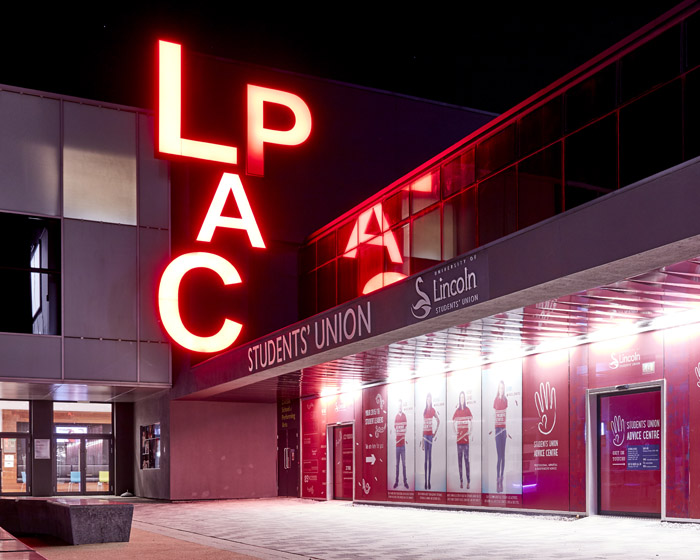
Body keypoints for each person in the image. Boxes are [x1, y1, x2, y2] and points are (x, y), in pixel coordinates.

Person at [452, 391, 473, 489]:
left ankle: (468, 481)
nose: (462, 399)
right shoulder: (457, 411)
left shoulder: (467, 410)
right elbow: (452, 422)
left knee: (466, 461)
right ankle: (461, 481)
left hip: (466, 440)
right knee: (460, 461)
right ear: (459, 399)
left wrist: (470, 431)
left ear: (465, 399)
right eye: (460, 398)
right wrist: (455, 431)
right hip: (459, 440)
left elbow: (472, 421)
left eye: (463, 398)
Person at [421, 392, 440, 490]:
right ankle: (425, 481)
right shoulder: (424, 411)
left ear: (431, 400)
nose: (429, 400)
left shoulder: (432, 410)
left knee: (429, 458)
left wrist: (435, 433)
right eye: (427, 399)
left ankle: (429, 481)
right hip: (425, 436)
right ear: (426, 400)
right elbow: (423, 426)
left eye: (430, 399)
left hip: (430, 437)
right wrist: (422, 441)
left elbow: (438, 421)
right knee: (425, 459)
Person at [493, 380, 508, 493]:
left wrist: (507, 430)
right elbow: (493, 416)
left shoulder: (505, 400)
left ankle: (501, 480)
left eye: (502, 388)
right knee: (499, 457)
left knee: (503, 456)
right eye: (500, 388)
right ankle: (498, 479)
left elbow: (507, 416)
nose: (501, 390)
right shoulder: (495, 401)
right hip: (498, 431)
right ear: (498, 389)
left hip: (504, 430)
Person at [393, 399, 408, 489]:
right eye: (398, 406)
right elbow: (395, 431)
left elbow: (405, 430)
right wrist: (400, 430)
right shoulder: (396, 417)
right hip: (397, 445)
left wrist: (400, 430)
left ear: (402, 406)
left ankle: (405, 481)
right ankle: (396, 481)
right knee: (397, 464)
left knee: (404, 464)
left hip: (402, 445)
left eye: (401, 405)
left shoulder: (405, 416)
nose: (400, 407)